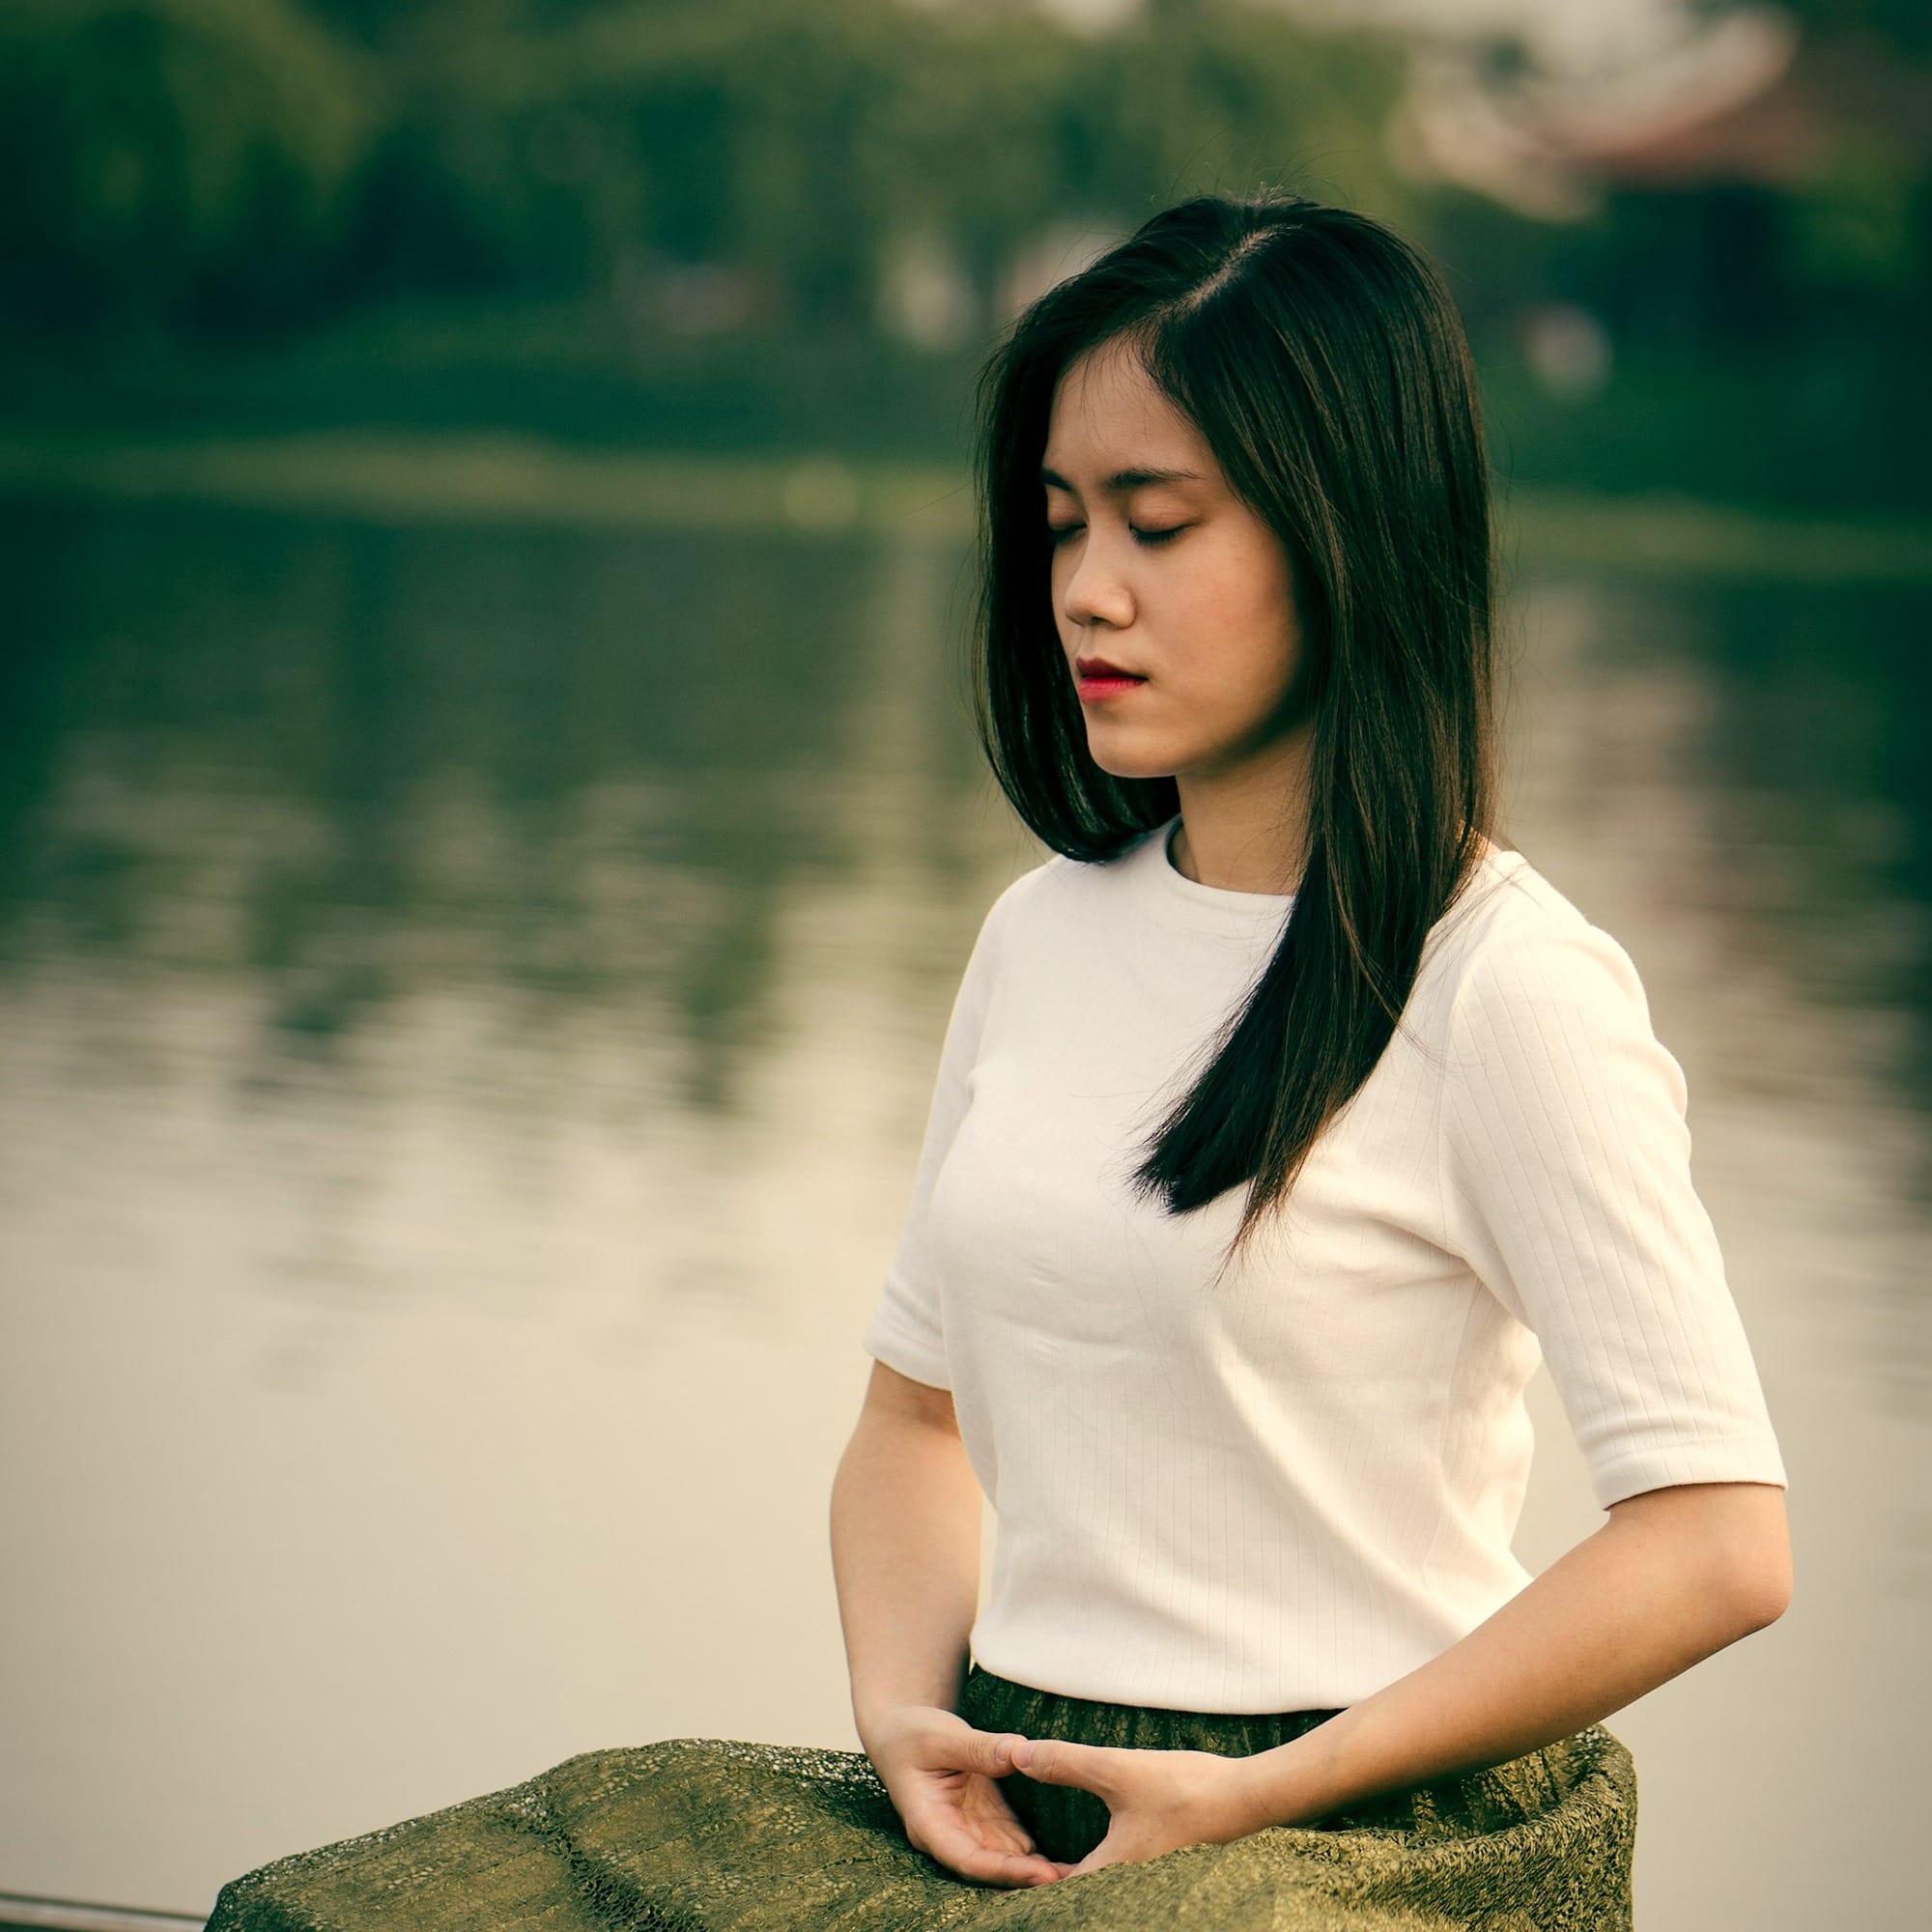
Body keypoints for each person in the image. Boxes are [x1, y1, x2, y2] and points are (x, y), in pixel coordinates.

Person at [205, 187, 1791, 1932]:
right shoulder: (1043, 937)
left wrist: (1261, 1793)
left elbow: (1717, 1543)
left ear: (1351, 533)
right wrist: (906, 1715)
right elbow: (909, 1424)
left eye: (1159, 525)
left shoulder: (1505, 985)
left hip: (1358, 1841)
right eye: (1059, 526)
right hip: (1033, 1800)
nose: (1085, 593)